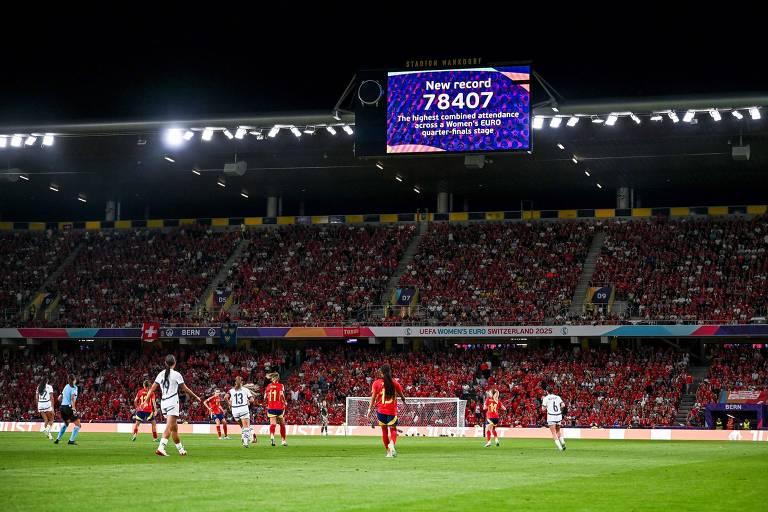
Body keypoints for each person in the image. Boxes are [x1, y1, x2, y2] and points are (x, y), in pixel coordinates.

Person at [145, 354, 201, 457]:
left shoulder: (160, 374)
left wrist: (146, 400)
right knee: (169, 427)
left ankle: (181, 450)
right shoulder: (176, 374)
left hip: (163, 403)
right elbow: (185, 389)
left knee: (174, 428)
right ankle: (161, 448)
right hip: (172, 402)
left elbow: (152, 389)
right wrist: (196, 396)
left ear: (165, 363)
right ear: (174, 363)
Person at [366, 364, 406, 458]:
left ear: (381, 372)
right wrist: (404, 399)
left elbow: (373, 398)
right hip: (391, 411)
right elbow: (401, 395)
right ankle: (392, 444)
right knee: (393, 430)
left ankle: (388, 453)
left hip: (380, 411)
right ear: (389, 372)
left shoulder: (376, 383)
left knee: (384, 432)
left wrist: (369, 410)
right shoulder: (395, 383)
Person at [227, 377, 255, 447]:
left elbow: (225, 397)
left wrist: (230, 404)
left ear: (235, 382)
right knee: (246, 426)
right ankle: (245, 442)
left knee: (242, 426)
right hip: (243, 409)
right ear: (242, 382)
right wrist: (248, 401)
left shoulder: (231, 391)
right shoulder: (245, 390)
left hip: (235, 411)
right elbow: (252, 400)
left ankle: (244, 436)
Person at [54, 375, 81, 445]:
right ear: (74, 380)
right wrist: (74, 409)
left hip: (62, 407)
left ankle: (57, 439)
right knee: (78, 424)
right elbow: (72, 399)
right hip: (68, 407)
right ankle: (71, 441)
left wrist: (63, 403)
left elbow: (59, 398)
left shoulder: (66, 386)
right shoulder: (74, 388)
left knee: (66, 423)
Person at [264, 372, 287, 446]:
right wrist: (285, 401)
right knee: (282, 424)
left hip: (271, 407)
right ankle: (283, 441)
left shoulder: (268, 386)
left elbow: (265, 397)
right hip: (279, 407)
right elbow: (281, 395)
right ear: (277, 378)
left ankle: (272, 437)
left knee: (273, 424)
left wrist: (267, 403)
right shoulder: (281, 385)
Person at [541, 387, 566, 451]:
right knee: (558, 431)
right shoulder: (557, 397)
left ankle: (560, 448)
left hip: (551, 416)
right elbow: (563, 405)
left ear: (547, 391)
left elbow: (543, 409)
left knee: (554, 433)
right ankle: (563, 442)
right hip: (558, 416)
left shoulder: (546, 398)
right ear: (553, 391)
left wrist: (547, 405)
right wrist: (559, 410)